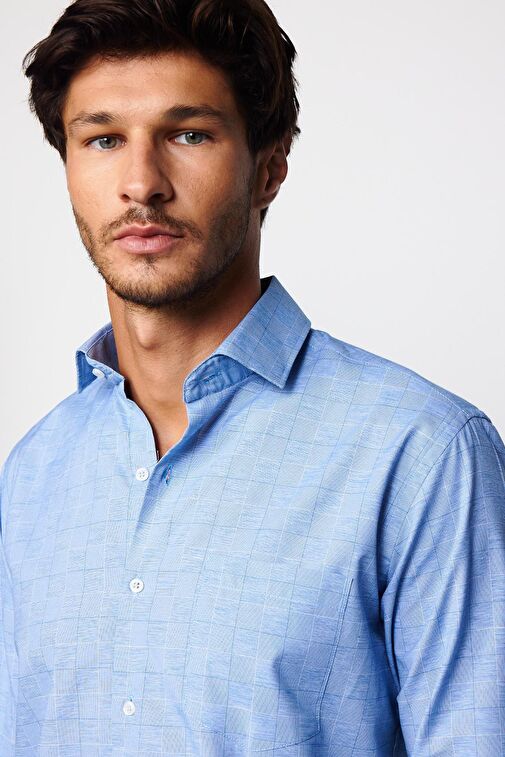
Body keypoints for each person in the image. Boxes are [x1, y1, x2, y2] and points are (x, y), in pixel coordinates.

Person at [1, 0, 504, 753]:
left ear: (269, 168)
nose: (141, 183)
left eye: (188, 134)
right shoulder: (34, 473)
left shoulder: (422, 454)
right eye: (103, 139)